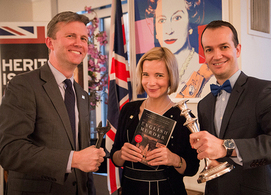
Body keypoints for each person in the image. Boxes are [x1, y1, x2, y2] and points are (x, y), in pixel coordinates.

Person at [0, 11, 106, 194]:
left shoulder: (81, 94)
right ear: (50, 42)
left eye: (83, 38)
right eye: (70, 36)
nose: (79, 43)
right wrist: (73, 159)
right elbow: (10, 151)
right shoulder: (23, 85)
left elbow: (80, 157)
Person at [189, 20, 271, 194]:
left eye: (224, 47)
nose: (217, 55)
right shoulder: (204, 104)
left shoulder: (262, 91)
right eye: (209, 49)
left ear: (237, 49)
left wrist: (227, 146)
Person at [110, 47, 199, 195]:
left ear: (171, 77)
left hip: (168, 190)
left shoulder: (183, 117)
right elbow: (115, 158)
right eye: (146, 75)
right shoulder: (128, 110)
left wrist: (174, 159)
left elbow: (192, 169)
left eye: (159, 75)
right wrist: (121, 155)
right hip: (129, 189)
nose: (151, 83)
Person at [145, 0, 217, 99]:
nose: (169, 30)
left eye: (177, 18)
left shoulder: (207, 71)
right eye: (162, 20)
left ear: (190, 23)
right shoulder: (150, 71)